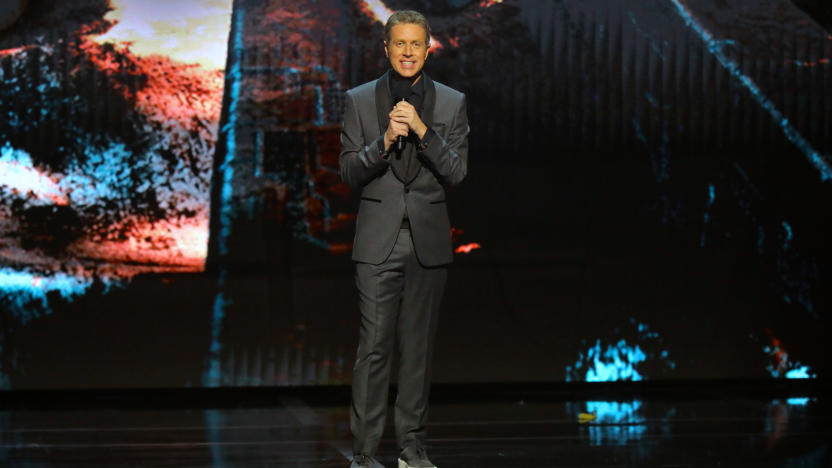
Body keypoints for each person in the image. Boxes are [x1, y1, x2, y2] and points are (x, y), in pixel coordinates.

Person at [339, 9, 469, 468]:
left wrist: (421, 131)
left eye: (416, 44)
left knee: (417, 350)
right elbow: (350, 170)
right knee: (374, 347)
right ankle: (365, 454)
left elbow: (456, 171)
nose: (408, 52)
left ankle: (412, 450)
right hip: (379, 242)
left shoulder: (451, 102)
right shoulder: (359, 100)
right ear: (387, 48)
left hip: (428, 242)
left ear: (428, 46)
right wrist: (384, 142)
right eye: (400, 44)